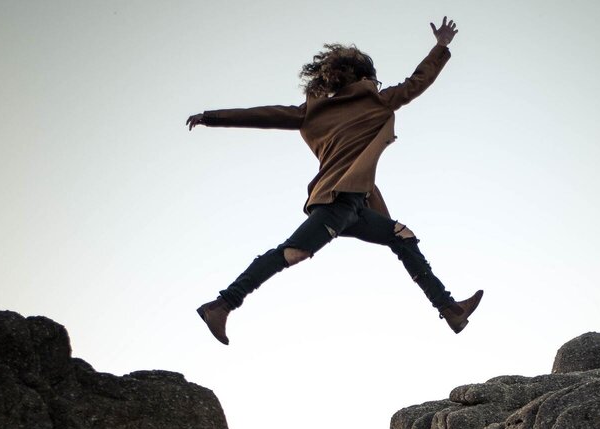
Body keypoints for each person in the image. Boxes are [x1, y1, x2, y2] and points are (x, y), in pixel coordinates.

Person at [187, 17, 482, 345]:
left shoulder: (312, 111)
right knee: (293, 252)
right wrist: (440, 47)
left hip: (356, 205)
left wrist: (212, 117)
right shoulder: (374, 100)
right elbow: (417, 82)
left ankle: (450, 309)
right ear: (364, 77)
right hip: (337, 202)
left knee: (402, 236)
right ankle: (223, 304)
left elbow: (262, 114)